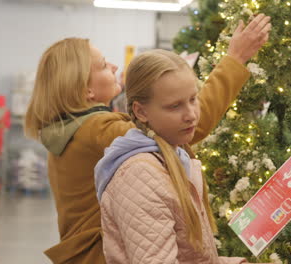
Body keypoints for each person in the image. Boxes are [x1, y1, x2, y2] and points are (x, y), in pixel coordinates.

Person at [24, 14, 271, 263]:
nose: (114, 67)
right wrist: (235, 59)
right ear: (85, 89)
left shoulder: (72, 127)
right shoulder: (98, 129)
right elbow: (188, 126)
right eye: (102, 65)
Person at [95, 49, 267, 264]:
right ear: (141, 112)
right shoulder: (141, 176)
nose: (191, 115)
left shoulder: (175, 154)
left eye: (193, 99)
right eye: (174, 106)